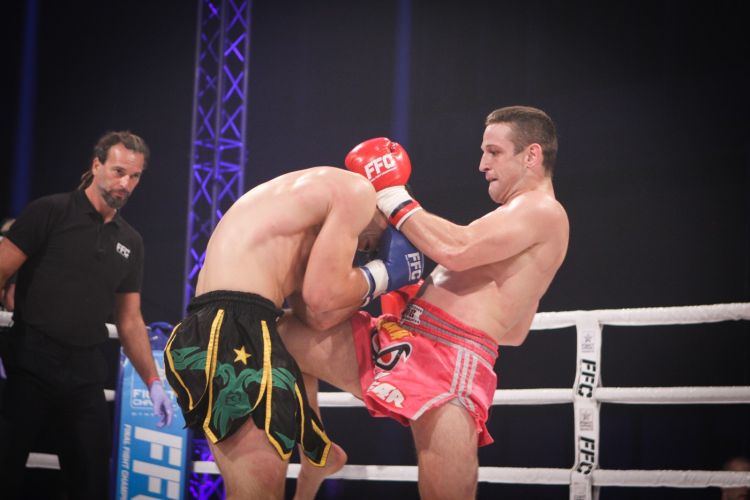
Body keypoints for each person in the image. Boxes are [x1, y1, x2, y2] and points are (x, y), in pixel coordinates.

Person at [279, 105, 569, 499]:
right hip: (404, 338)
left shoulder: (542, 209)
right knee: (280, 335)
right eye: (483, 152)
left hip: (448, 360)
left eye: (494, 152)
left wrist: (391, 193)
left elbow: (456, 249)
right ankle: (316, 450)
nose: (483, 164)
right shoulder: (516, 221)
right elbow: (516, 331)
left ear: (532, 155)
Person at [163, 166, 424, 500]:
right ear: (388, 209)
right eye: (387, 239)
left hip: (233, 327)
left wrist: (373, 279)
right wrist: (383, 275)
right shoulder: (358, 191)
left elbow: (315, 317)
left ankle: (316, 451)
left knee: (288, 331)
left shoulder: (301, 212)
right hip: (232, 331)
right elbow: (322, 297)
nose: (369, 251)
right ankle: (315, 451)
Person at [0, 131, 173, 499]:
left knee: (91, 483)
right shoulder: (50, 211)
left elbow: (129, 319)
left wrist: (153, 381)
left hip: (84, 375)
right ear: (96, 165)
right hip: (30, 362)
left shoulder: (131, 241)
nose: (125, 184)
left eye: (135, 176)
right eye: (118, 171)